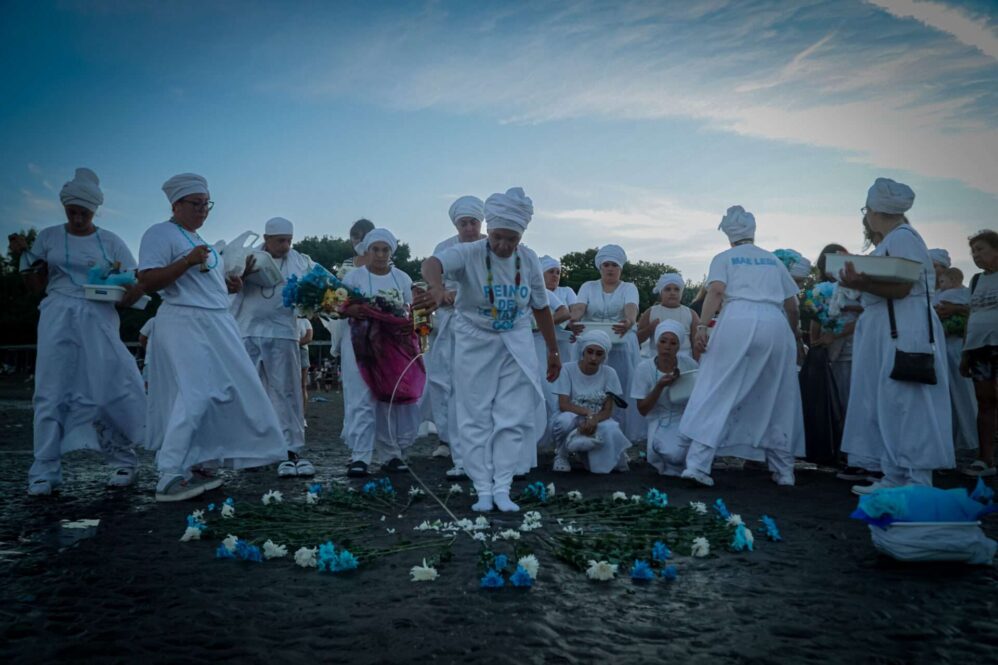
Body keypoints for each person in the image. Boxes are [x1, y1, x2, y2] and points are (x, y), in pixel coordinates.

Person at [138, 173, 286, 502]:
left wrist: (230, 285)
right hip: (186, 321)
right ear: (176, 205)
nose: (203, 210)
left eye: (207, 204)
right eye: (196, 204)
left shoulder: (198, 239)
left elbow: (205, 283)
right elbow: (147, 280)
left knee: (223, 390)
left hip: (216, 322)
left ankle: (198, 460)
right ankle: (170, 473)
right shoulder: (160, 234)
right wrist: (186, 261)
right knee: (197, 392)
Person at [419, 187, 560, 513]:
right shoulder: (469, 252)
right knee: (476, 415)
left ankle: (503, 486)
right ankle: (482, 487)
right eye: (497, 237)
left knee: (512, 415)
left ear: (521, 236)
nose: (503, 246)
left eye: (511, 239)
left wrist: (554, 351)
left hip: (516, 342)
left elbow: (541, 307)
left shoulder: (528, 259)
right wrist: (437, 288)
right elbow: (432, 263)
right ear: (489, 230)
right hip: (475, 342)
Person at [10, 168, 147, 496]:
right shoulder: (49, 237)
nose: (78, 219)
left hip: (99, 317)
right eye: (72, 212)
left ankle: (122, 460)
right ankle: (45, 469)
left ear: (94, 210)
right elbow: (35, 287)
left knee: (109, 385)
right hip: (57, 316)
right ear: (65, 208)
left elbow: (134, 283)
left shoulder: (111, 241)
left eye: (84, 213)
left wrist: (122, 293)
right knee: (51, 389)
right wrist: (22, 258)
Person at [839, 178, 954, 493]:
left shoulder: (903, 238)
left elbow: (903, 288)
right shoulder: (895, 239)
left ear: (874, 211)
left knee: (907, 401)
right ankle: (894, 475)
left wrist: (860, 283)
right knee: (889, 400)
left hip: (902, 326)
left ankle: (915, 478)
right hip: (889, 325)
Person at [678, 205, 805, 487]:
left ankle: (698, 464)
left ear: (729, 235)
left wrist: (702, 326)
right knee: (777, 393)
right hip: (775, 322)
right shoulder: (773, 261)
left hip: (737, 318)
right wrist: (793, 335)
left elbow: (716, 290)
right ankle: (784, 470)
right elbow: (793, 305)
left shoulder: (724, 258)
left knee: (718, 387)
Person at [229, 216, 317, 478]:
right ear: (266, 239)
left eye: (289, 240)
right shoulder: (246, 257)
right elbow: (227, 284)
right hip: (248, 331)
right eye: (280, 240)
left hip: (283, 333)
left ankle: (290, 449)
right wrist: (241, 274)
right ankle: (253, 450)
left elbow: (316, 287)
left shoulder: (300, 261)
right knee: (250, 392)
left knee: (287, 392)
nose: (286, 246)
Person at [341, 228, 422, 477]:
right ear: (367, 251)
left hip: (392, 347)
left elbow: (413, 310)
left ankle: (391, 454)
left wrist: (410, 323)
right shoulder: (353, 277)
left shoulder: (402, 278)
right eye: (375, 249)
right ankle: (360, 456)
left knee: (390, 398)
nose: (380, 254)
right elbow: (337, 305)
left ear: (391, 252)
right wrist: (350, 310)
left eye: (385, 250)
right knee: (361, 398)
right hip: (359, 345)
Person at [425, 196, 486, 476]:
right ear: (456, 225)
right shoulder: (444, 248)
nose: (469, 228)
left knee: (477, 385)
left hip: (482, 326)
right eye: (464, 223)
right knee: (444, 381)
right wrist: (441, 293)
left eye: (473, 222)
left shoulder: (492, 246)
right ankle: (447, 438)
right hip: (449, 324)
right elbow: (433, 281)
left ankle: (480, 442)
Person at [570, 244, 643, 441]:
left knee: (619, 390)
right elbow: (579, 307)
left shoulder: (629, 288)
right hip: (591, 344)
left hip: (620, 345)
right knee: (587, 388)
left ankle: (618, 435)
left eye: (614, 265)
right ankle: (581, 430)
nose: (610, 269)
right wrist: (573, 319)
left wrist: (629, 321)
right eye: (606, 265)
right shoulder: (588, 286)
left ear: (621, 268)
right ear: (600, 267)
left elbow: (631, 308)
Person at [550, 330, 632, 473]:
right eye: (590, 352)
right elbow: (563, 404)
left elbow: (608, 410)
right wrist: (588, 413)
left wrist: (594, 419)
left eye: (599, 354)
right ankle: (561, 455)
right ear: (583, 351)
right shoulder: (567, 369)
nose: (593, 358)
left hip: (598, 418)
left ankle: (597, 457)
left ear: (604, 356)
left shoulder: (610, 373)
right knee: (564, 422)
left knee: (612, 428)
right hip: (573, 415)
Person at [633, 320, 700, 476]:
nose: (667, 347)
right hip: (660, 419)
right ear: (657, 343)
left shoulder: (689, 364)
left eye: (673, 343)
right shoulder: (644, 368)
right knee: (675, 454)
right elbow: (642, 409)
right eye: (663, 341)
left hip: (685, 418)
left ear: (679, 346)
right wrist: (659, 386)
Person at [960, 230, 998, 477]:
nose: (975, 255)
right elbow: (970, 317)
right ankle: (985, 459)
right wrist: (965, 354)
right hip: (978, 349)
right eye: (973, 251)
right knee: (984, 401)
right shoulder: (975, 281)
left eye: (981, 249)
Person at [934, 267, 978, 454]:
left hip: (955, 347)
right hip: (946, 347)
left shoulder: (951, 295)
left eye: (943, 281)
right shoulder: (962, 293)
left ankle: (968, 437)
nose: (941, 284)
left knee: (961, 392)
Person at [636, 272, 699, 360]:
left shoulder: (691, 314)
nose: (672, 293)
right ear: (661, 292)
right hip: (655, 360)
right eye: (668, 289)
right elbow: (636, 340)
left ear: (681, 293)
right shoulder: (651, 312)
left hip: (684, 360)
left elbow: (696, 343)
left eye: (676, 289)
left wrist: (697, 364)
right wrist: (649, 329)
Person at [540, 255, 578, 360]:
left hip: (565, 342)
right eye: (551, 272)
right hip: (541, 340)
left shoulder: (567, 291)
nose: (555, 275)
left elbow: (575, 312)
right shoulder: (537, 293)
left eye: (558, 273)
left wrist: (573, 324)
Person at [298, 316, 313, 424]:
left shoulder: (305, 321)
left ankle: (302, 416)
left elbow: (309, 337)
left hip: (302, 351)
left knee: (302, 385)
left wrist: (294, 343)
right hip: (287, 352)